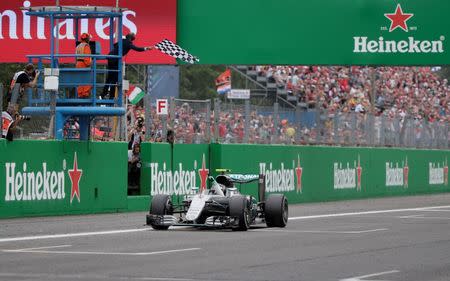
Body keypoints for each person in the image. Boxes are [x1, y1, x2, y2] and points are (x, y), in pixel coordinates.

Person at [102, 33, 153, 99]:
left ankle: (104, 93)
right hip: (115, 60)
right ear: (131, 38)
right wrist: (147, 48)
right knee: (114, 79)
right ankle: (111, 96)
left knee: (109, 78)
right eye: (133, 35)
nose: (135, 36)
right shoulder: (129, 43)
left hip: (111, 57)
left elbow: (115, 45)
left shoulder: (122, 40)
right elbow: (137, 49)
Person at [76, 33, 92, 98]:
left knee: (80, 79)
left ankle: (80, 94)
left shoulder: (78, 46)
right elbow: (87, 57)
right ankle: (85, 94)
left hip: (78, 64)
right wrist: (89, 64)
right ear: (87, 39)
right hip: (84, 65)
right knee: (87, 79)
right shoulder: (86, 46)